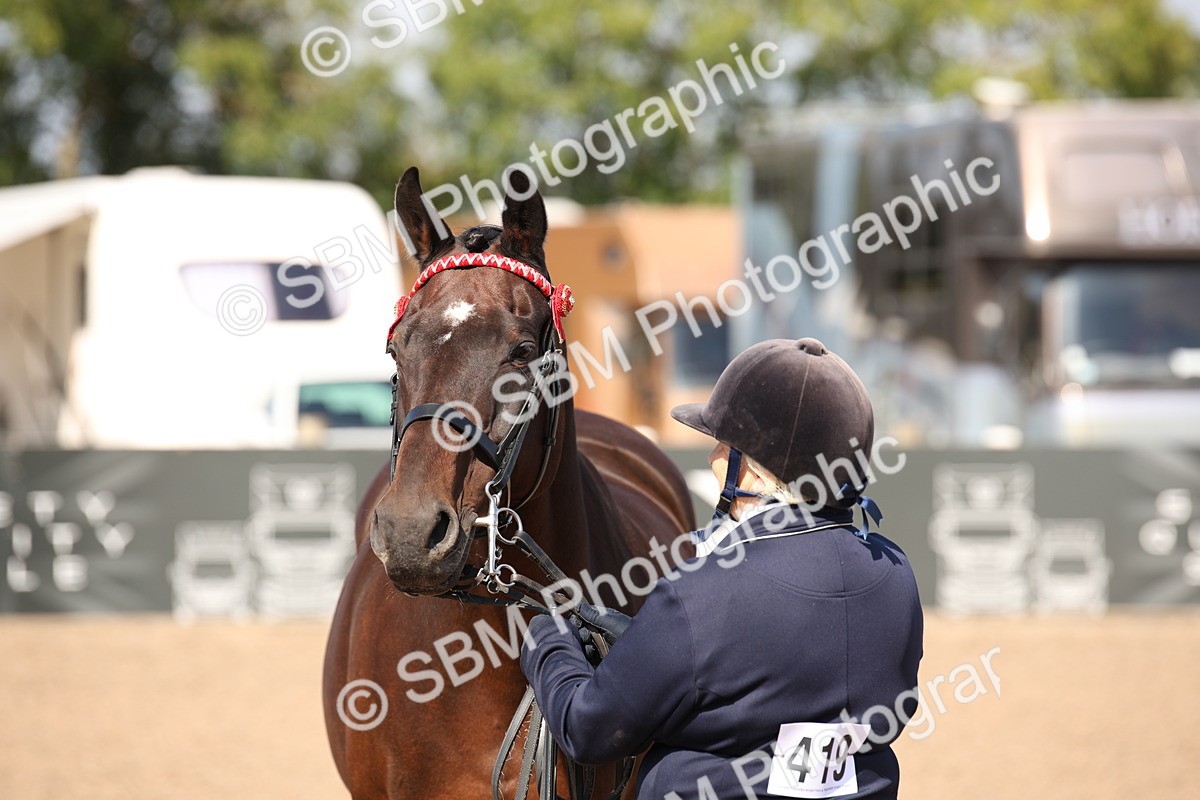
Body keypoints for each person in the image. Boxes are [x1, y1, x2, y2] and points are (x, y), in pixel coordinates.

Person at [520, 337, 924, 800]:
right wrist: (643, 638)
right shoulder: (896, 575)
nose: (712, 458)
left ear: (751, 472)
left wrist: (546, 639)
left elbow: (588, 730)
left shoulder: (701, 594)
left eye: (721, 444)